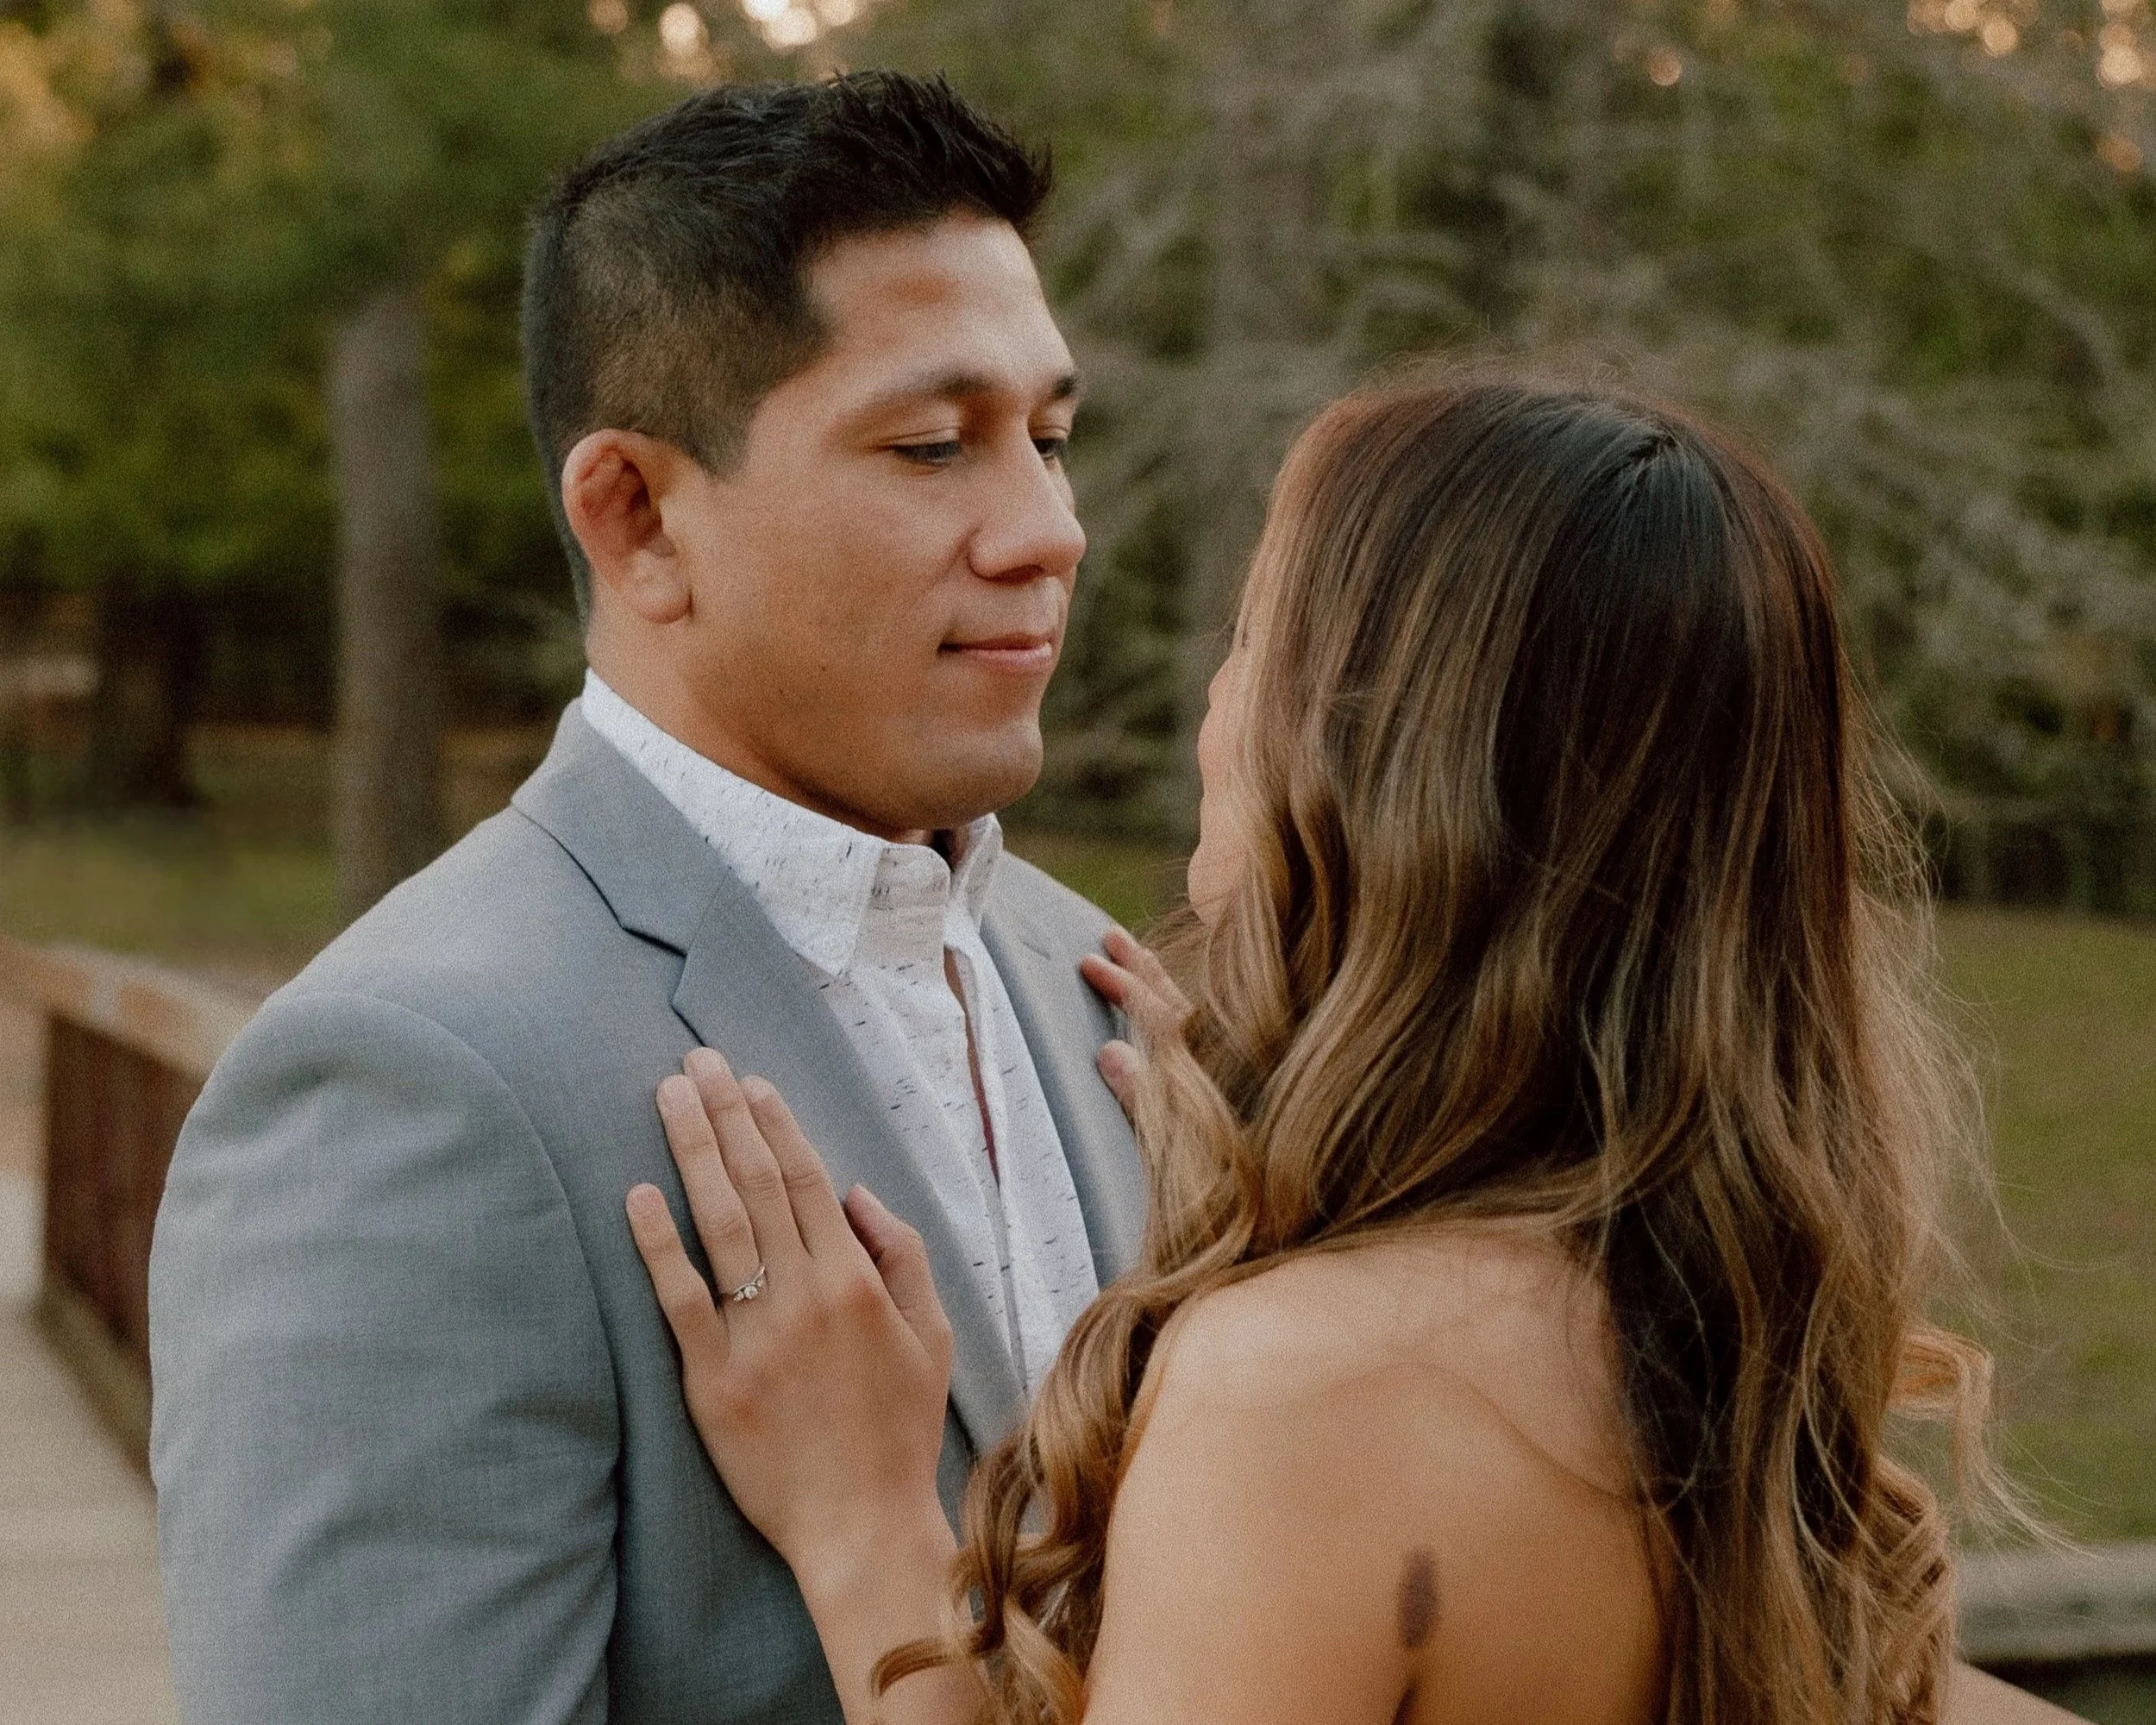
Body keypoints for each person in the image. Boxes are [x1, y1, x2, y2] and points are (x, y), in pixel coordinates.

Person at [625, 373, 2084, 1725]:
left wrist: (862, 1520)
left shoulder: (1311, 1396)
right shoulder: (1704, 1305)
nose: (1221, 702)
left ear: (1379, 762)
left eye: (1258, 635)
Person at [147, 74, 1147, 1724]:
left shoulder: (1104, 993)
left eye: (1049, 438)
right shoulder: (407, 1088)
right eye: (931, 446)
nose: (1051, 532)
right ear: (637, 519)